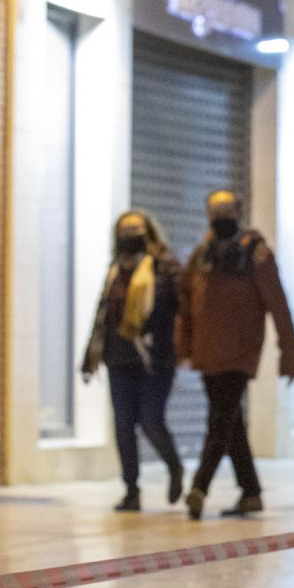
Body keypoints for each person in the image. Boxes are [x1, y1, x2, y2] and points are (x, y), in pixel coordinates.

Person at [177, 190, 294, 520]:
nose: (221, 219)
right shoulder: (202, 255)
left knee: (219, 420)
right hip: (208, 353)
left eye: (226, 213)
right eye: (216, 214)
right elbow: (185, 301)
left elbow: (278, 305)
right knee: (230, 423)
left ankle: (199, 487)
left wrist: (288, 354)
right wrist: (183, 346)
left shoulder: (256, 255)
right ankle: (251, 492)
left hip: (239, 355)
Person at [81, 211, 183, 512]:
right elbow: (102, 314)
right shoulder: (115, 270)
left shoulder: (165, 267)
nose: (130, 236)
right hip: (119, 358)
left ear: (148, 232)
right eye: (124, 231)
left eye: (136, 230)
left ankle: (174, 466)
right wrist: (90, 355)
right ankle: (131, 490)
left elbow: (182, 310)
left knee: (151, 420)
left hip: (155, 360)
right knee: (124, 426)